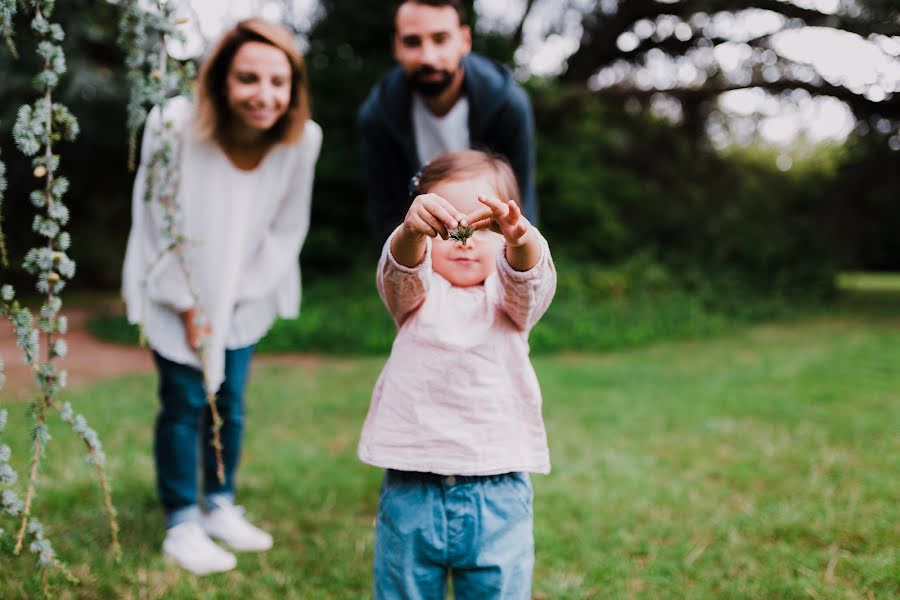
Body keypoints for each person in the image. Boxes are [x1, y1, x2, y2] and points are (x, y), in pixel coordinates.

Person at [122, 18, 322, 575]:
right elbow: (155, 220)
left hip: (246, 290)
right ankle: (181, 519)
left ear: (294, 88)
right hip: (176, 285)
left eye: (278, 82)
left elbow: (288, 227)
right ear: (220, 81)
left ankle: (220, 503)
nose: (265, 95)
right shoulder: (172, 126)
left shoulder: (302, 140)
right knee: (185, 400)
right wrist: (190, 305)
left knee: (230, 402)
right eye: (248, 79)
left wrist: (238, 297)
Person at [357, 150, 556, 598]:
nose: (465, 239)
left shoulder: (509, 303)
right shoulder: (415, 299)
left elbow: (530, 279)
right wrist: (410, 232)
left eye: (485, 228)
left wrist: (521, 240)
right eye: (447, 228)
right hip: (412, 487)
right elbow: (400, 271)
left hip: (497, 488)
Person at [358, 0, 538, 246]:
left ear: (465, 40)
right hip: (418, 253)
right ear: (396, 47)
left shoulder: (507, 106)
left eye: (440, 39)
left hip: (491, 249)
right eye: (413, 42)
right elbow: (386, 217)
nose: (428, 57)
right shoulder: (378, 116)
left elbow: (520, 207)